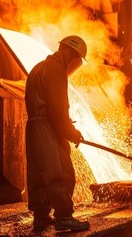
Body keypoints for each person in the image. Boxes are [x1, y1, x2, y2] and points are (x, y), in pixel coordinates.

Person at [25, 35, 90, 232]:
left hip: (34, 125)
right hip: (47, 126)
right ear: (71, 54)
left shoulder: (38, 67)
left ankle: (41, 216)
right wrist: (71, 132)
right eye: (78, 62)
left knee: (39, 172)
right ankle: (64, 217)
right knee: (60, 171)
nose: (75, 67)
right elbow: (57, 110)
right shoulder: (56, 70)